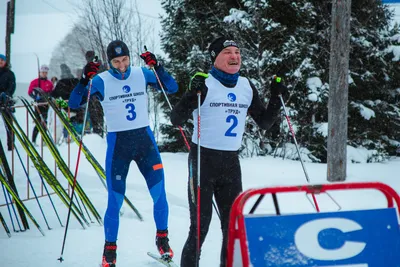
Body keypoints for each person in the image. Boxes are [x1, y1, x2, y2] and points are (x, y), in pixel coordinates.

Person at [170, 36, 288, 267]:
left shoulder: (246, 85)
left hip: (231, 162)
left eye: (237, 52)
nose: (234, 56)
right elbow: (176, 119)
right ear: (214, 58)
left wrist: (276, 97)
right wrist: (190, 96)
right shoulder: (204, 83)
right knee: (200, 227)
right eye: (228, 53)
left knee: (233, 225)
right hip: (203, 159)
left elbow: (264, 122)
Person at [68, 40, 178, 267]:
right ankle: (110, 250)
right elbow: (74, 102)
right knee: (115, 201)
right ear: (109, 62)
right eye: (116, 62)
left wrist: (157, 67)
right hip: (119, 147)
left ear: (130, 58)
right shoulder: (101, 80)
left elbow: (172, 87)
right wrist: (83, 79)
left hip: (145, 143)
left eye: (125, 60)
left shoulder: (141, 73)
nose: (121, 66)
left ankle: (163, 239)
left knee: (159, 194)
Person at [28, 64, 54, 145]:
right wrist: (35, 97)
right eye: (42, 72)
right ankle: (33, 141)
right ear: (40, 72)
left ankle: (44, 140)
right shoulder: (35, 82)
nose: (44, 74)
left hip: (46, 105)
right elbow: (29, 92)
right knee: (38, 122)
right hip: (38, 105)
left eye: (45, 72)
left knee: (44, 122)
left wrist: (49, 96)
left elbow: (52, 92)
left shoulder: (49, 83)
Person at [0, 54, 16, 150]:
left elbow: (12, 87)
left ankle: (10, 145)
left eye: (2, 60)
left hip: (6, 101)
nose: (0, 61)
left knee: (9, 124)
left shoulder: (9, 73)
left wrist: (6, 95)